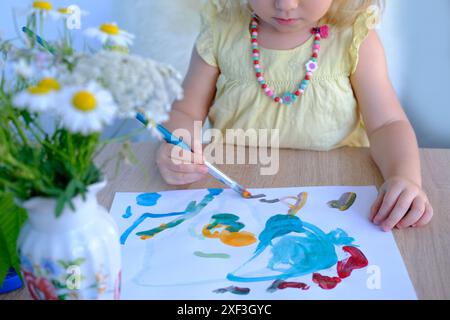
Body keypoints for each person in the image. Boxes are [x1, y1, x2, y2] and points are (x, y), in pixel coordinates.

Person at [156, 0, 433, 231]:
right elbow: (186, 110)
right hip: (231, 185)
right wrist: (177, 146)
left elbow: (388, 124)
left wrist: (404, 178)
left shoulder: (354, 37)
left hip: (339, 192)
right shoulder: (221, 31)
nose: (285, 4)